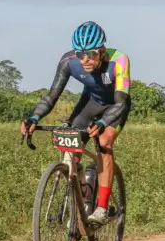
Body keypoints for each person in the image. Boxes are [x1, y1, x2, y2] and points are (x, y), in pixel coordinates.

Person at [21, 21, 131, 224]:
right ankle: (82, 194)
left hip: (115, 106)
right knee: (70, 145)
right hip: (90, 103)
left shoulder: (120, 61)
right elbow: (51, 97)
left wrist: (104, 123)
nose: (85, 60)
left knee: (104, 143)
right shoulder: (67, 61)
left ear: (102, 51)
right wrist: (34, 117)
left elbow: (121, 103)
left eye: (91, 53)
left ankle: (102, 208)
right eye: (80, 54)